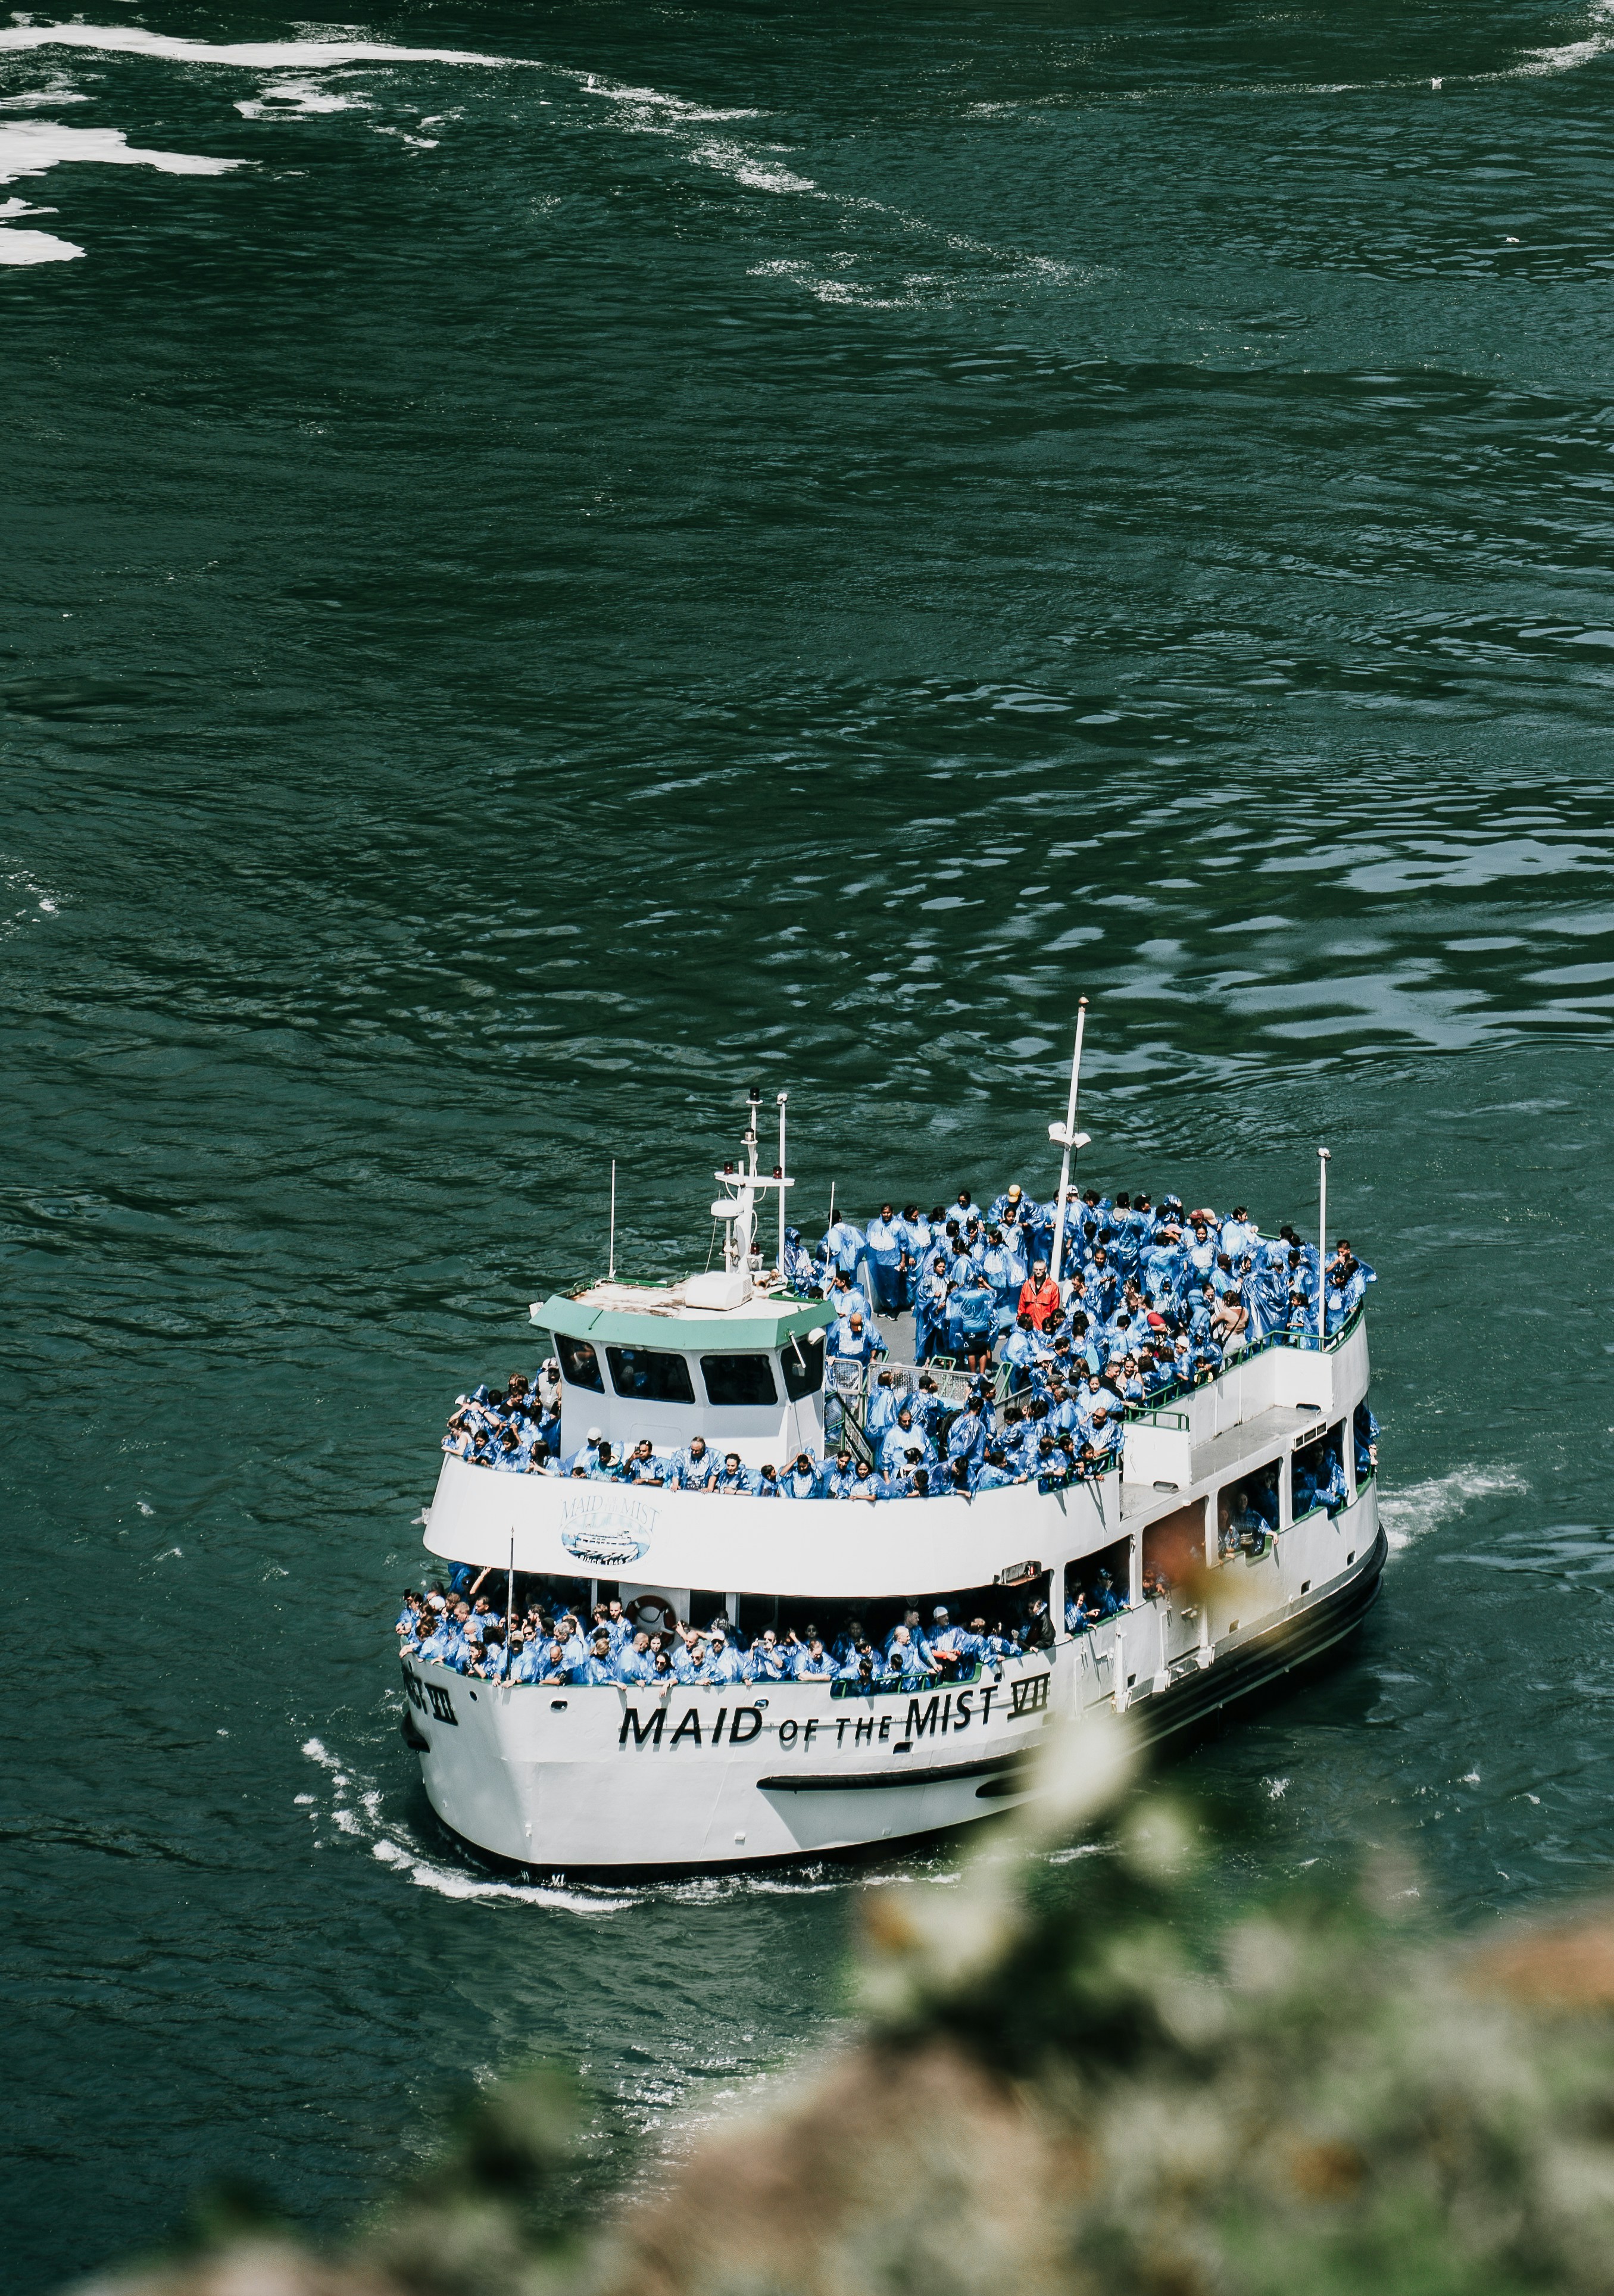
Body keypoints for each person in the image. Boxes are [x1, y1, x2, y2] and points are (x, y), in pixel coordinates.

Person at [1019, 1260, 1060, 1331]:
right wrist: (1020, 1322)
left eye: (1041, 1270)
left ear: (1046, 1269)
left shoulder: (1052, 1287)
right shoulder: (1027, 1285)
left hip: (1044, 1328)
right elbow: (1021, 1307)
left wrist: (1051, 1325)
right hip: (1028, 1327)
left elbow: (1055, 1310)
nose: (1038, 1272)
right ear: (1033, 1269)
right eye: (1036, 1269)